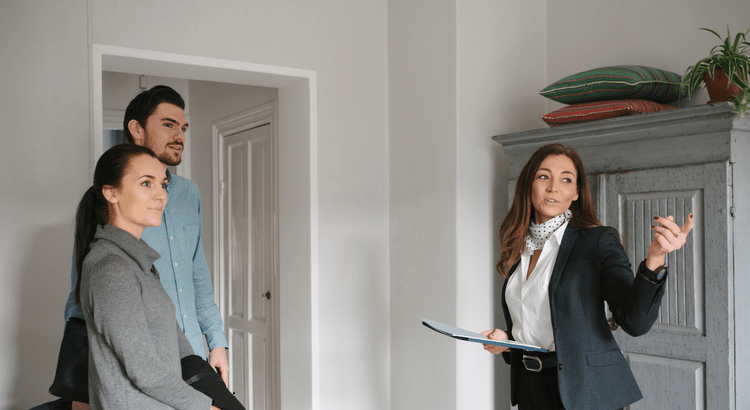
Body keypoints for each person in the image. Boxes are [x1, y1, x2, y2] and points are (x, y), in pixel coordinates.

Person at [481, 143, 694, 410]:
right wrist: (508, 340)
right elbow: (542, 318)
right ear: (528, 185)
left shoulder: (597, 241)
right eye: (543, 176)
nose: (553, 187)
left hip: (586, 392)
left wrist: (656, 258)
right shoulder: (519, 247)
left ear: (576, 193)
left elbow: (634, 322)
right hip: (530, 389)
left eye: (566, 180)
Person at [64, 85, 229, 383]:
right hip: (141, 360)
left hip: (192, 352)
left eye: (183, 128)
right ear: (137, 129)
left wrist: (216, 341)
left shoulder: (189, 193)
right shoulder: (112, 198)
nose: (179, 136)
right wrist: (78, 384)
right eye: (168, 125)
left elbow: (197, 273)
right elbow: (83, 298)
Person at [74, 144, 219, 409]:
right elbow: (146, 372)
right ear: (111, 192)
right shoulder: (111, 268)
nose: (161, 195)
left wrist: (212, 388)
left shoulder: (139, 262)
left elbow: (178, 344)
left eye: (162, 185)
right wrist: (206, 408)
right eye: (146, 183)